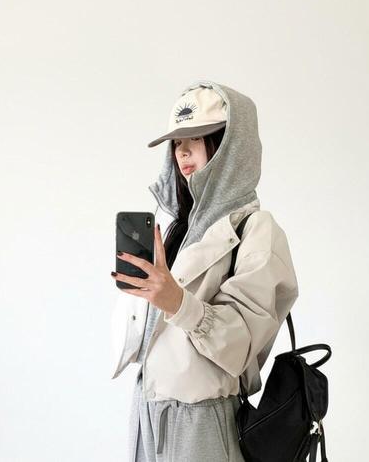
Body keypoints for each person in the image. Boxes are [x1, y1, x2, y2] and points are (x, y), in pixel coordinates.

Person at [110, 80, 299, 461]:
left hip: (202, 420)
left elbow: (241, 345)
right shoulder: (175, 227)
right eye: (177, 142)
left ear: (231, 146)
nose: (182, 151)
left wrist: (178, 303)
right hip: (148, 408)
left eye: (197, 138)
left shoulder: (257, 230)